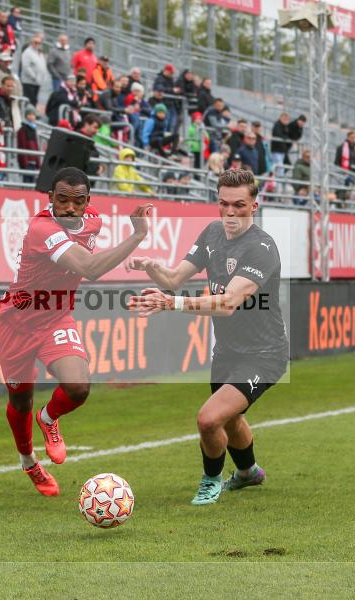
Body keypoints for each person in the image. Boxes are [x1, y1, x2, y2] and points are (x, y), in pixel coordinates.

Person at [126, 169, 288, 505]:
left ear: (254, 206)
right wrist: (152, 266)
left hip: (264, 354)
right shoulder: (213, 232)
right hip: (227, 351)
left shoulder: (262, 248)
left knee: (209, 418)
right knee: (230, 420)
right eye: (224, 204)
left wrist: (171, 303)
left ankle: (210, 480)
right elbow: (172, 279)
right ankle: (248, 473)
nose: (230, 213)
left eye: (239, 205)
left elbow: (227, 303)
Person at [0, 168, 152, 495]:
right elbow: (90, 269)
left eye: (77, 202)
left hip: (55, 318)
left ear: (87, 203)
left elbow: (88, 253)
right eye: (62, 200)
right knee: (20, 399)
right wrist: (136, 236)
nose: (69, 208)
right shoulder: (42, 228)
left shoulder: (93, 220)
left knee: (78, 387)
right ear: (50, 198)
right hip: (16, 322)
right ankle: (29, 462)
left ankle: (49, 418)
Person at [20, 32, 49, 106]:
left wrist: (43, 77)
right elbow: (26, 67)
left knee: (34, 100)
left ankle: (32, 114)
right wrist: (34, 77)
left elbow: (42, 66)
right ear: (31, 42)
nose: (37, 44)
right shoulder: (27, 52)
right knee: (29, 100)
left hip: (37, 82)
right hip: (29, 82)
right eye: (35, 42)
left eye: (39, 43)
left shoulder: (39, 53)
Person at [16, 106, 41, 183]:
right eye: (29, 114)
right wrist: (24, 161)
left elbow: (36, 146)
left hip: (33, 160)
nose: (31, 116)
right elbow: (22, 145)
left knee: (32, 181)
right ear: (26, 115)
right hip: (27, 161)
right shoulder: (23, 129)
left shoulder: (34, 129)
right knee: (27, 180)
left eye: (33, 114)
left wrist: (37, 161)